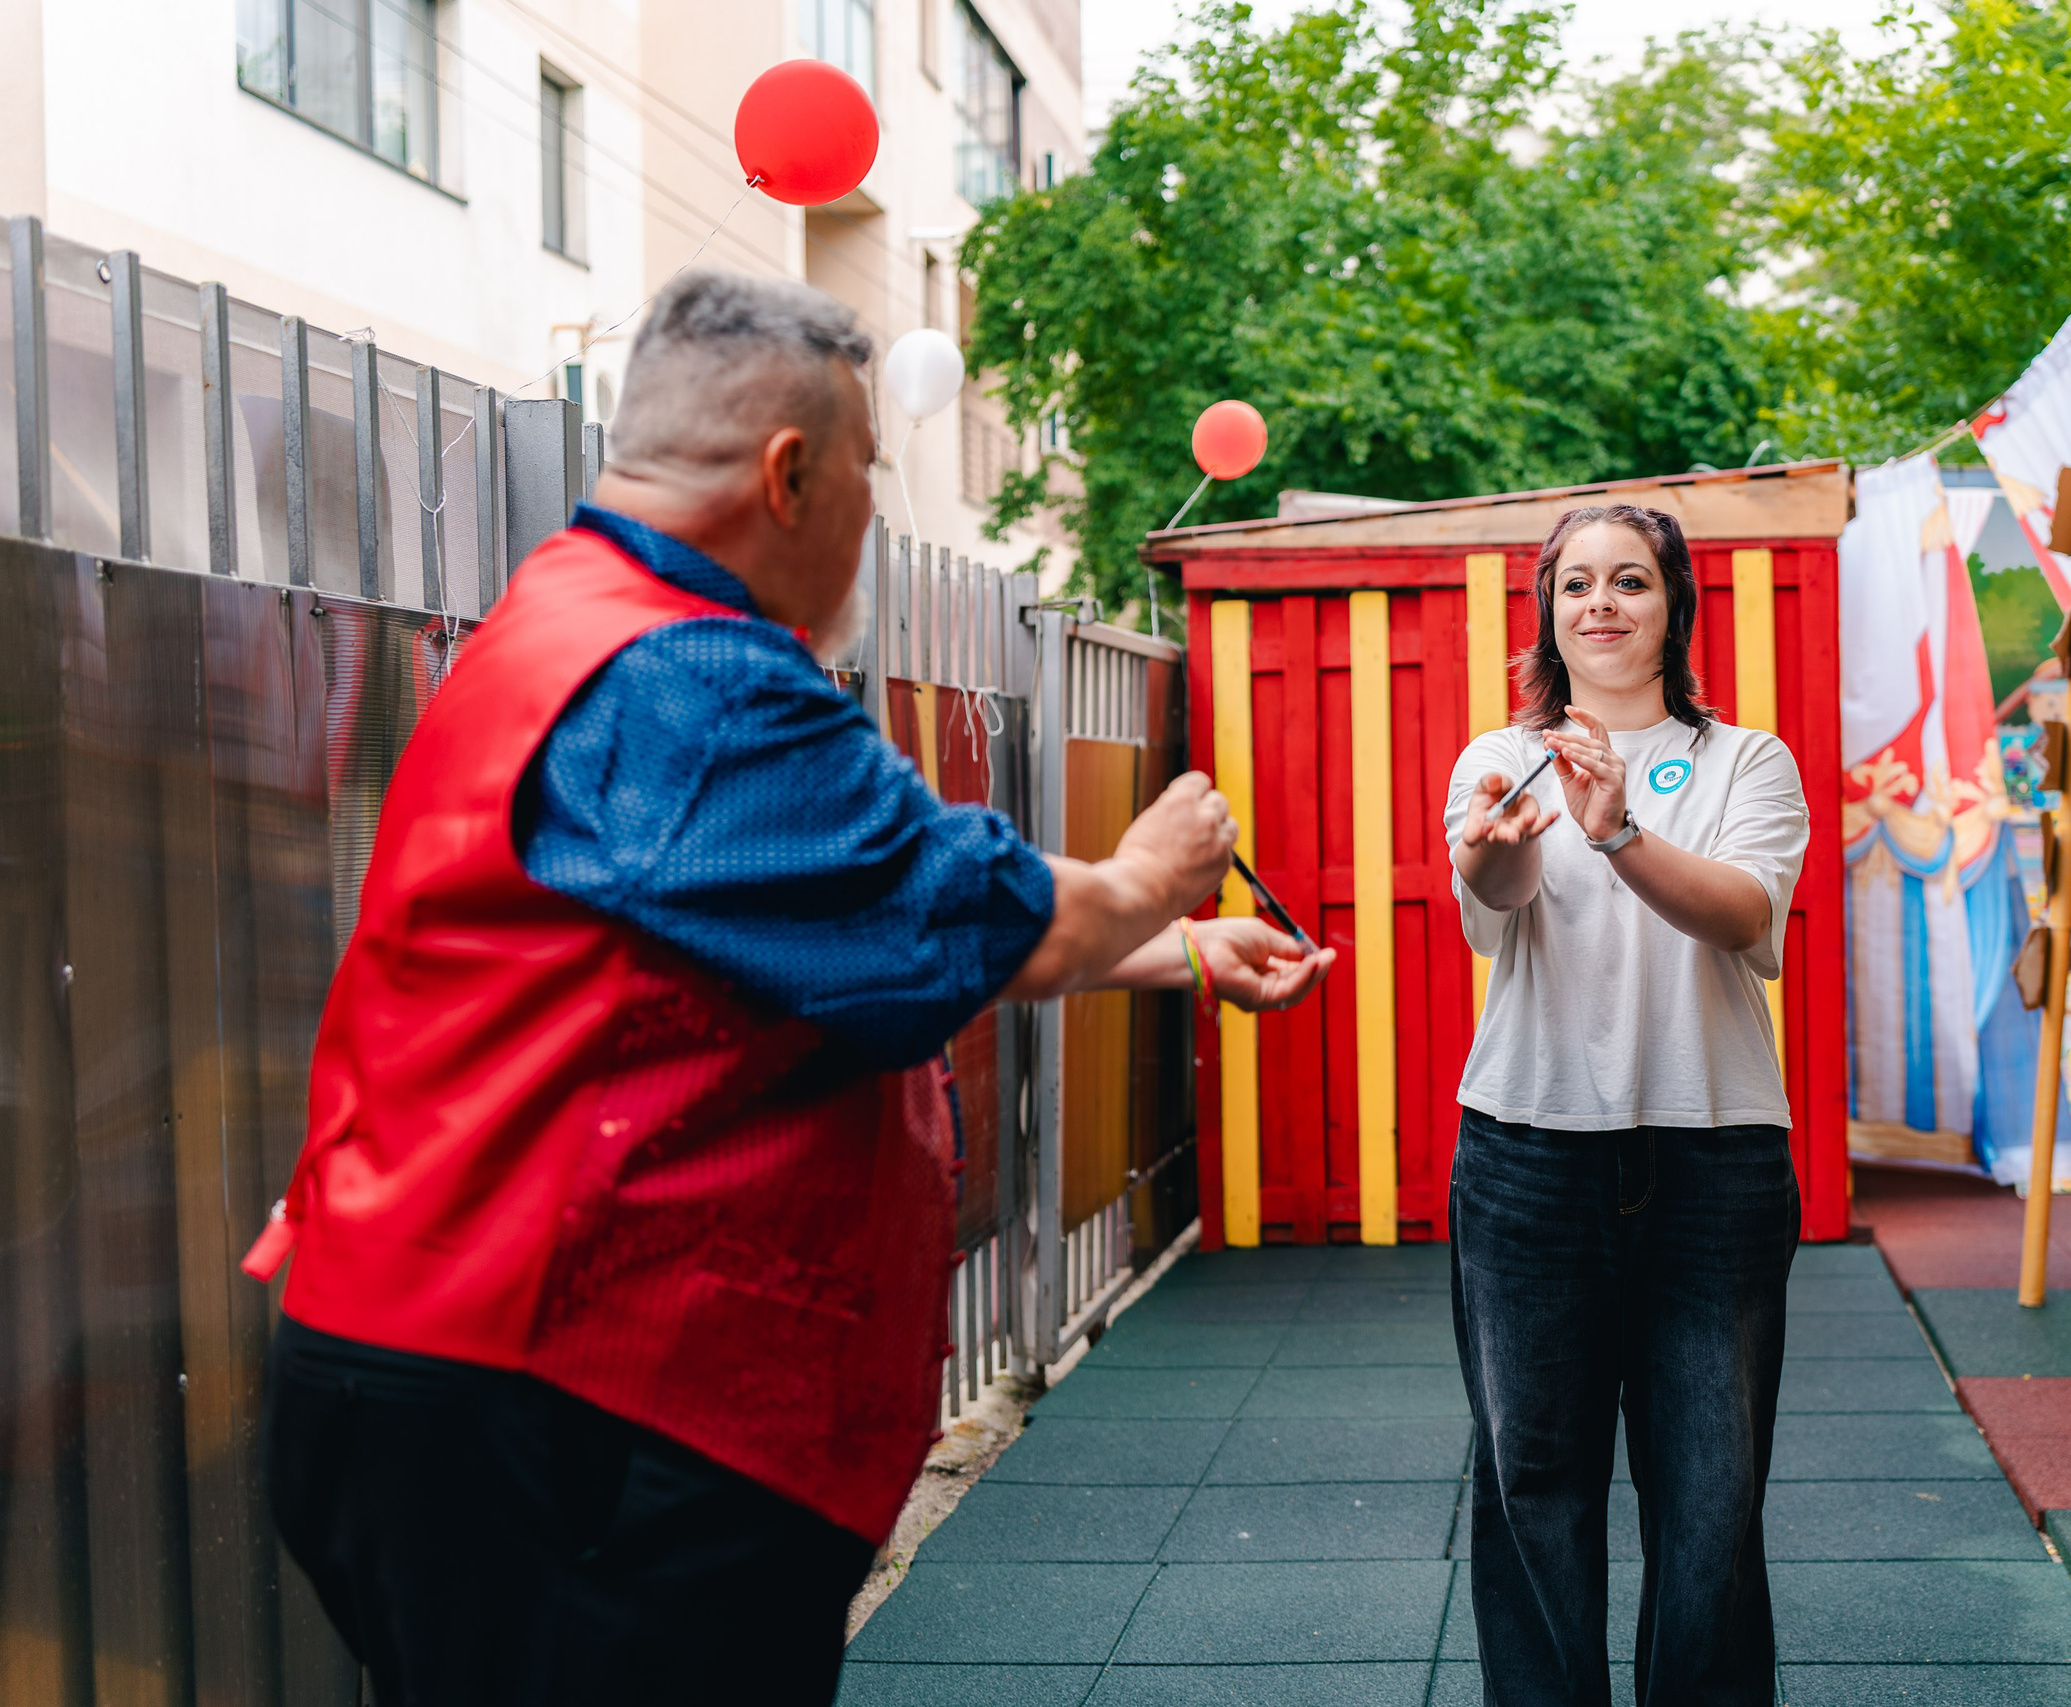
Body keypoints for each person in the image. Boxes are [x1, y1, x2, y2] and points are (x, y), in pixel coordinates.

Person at [244, 270, 1333, 1707]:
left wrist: (1169, 943)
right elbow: (946, 903)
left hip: (447, 1358)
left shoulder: (572, 622)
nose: (876, 514)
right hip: (558, 1402)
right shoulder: (688, 677)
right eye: (875, 470)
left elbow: (850, 915)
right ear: (792, 471)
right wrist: (1148, 876)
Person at [1443, 503, 1809, 1706]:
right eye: (1577, 586)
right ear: (1550, 615)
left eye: (1630, 582)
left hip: (1714, 1173)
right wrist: (1502, 844)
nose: (1601, 604)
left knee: (1710, 1501)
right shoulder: (1499, 758)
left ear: (1673, 606)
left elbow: (1743, 915)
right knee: (1533, 1488)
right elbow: (1491, 897)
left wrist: (1618, 834)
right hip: (1528, 1163)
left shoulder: (1745, 761)